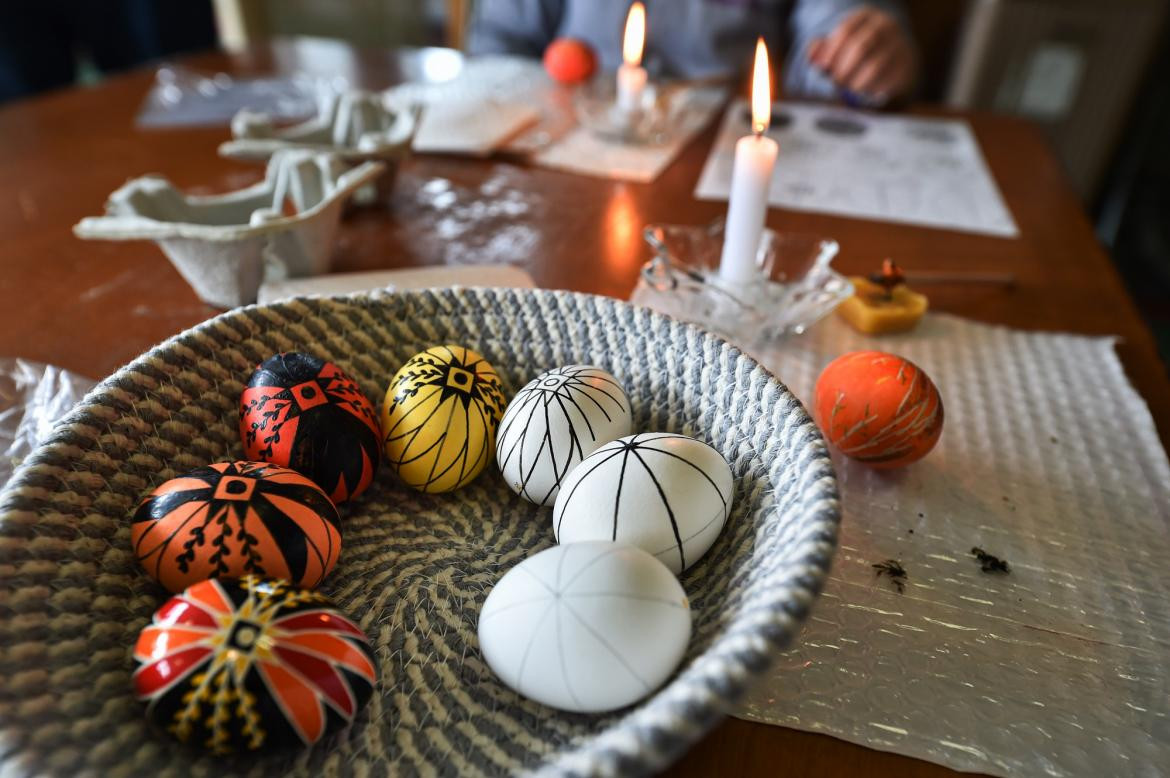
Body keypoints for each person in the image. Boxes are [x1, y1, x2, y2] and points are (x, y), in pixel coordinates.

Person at [469, 0, 917, 106]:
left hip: (718, 154)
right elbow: (498, 39)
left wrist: (859, 55)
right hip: (571, 138)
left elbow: (831, 30)